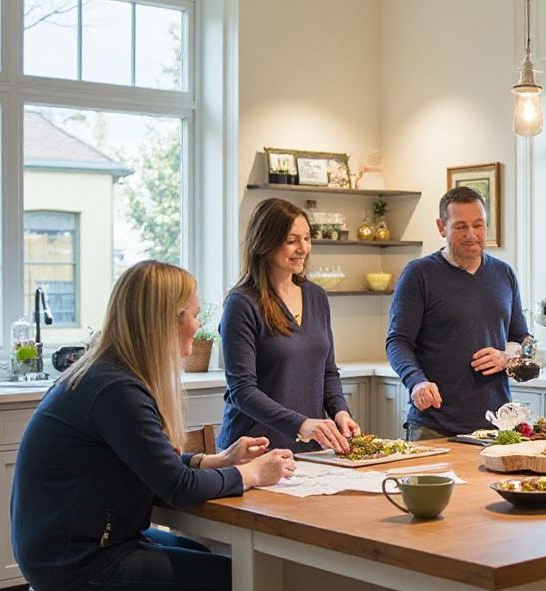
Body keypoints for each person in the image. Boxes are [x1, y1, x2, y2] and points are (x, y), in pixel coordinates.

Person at [11, 260, 295, 591]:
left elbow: (159, 464)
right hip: (79, 563)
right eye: (191, 314)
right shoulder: (118, 389)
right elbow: (174, 488)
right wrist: (249, 475)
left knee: (216, 565)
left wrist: (220, 460)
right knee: (234, 581)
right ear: (163, 320)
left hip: (77, 547)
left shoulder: (108, 376)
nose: (197, 326)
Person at [219, 198, 361, 453]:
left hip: (311, 450)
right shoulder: (241, 304)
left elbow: (328, 371)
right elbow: (242, 390)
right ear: (265, 242)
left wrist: (340, 412)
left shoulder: (316, 296)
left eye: (307, 238)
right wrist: (301, 424)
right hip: (255, 449)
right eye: (292, 240)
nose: (303, 248)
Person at [386, 186, 529, 438]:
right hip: (434, 425)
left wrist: (506, 357)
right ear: (441, 227)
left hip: (497, 425)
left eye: (479, 225)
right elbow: (397, 341)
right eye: (461, 226)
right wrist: (416, 381)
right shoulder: (419, 274)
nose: (471, 234)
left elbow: (521, 338)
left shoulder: (504, 274)